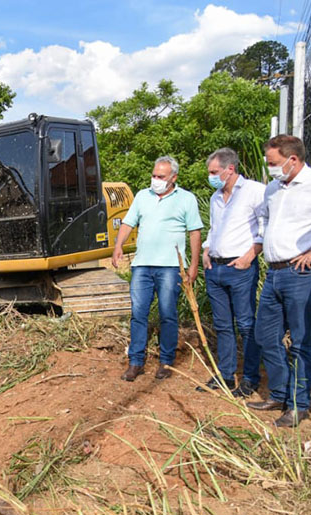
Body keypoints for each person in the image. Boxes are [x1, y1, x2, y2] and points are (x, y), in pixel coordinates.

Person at [247, 135, 311, 427]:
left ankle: (299, 404)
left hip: (302, 273)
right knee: (265, 335)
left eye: (274, 163)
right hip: (274, 272)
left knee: (301, 341)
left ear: (293, 159)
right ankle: (279, 393)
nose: (270, 169)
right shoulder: (273, 189)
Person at [112, 156, 202, 382]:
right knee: (138, 313)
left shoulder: (186, 199)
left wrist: (193, 264)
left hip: (171, 267)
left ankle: (166, 361)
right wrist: (118, 246)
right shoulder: (143, 196)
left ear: (174, 178)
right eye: (154, 175)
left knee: (167, 314)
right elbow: (128, 223)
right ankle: (135, 362)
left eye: (161, 177)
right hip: (142, 265)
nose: (156, 180)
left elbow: (194, 232)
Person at [200, 147, 265, 397]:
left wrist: (250, 256)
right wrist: (206, 250)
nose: (211, 177)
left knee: (246, 323)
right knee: (223, 325)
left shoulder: (254, 191)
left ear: (230, 169)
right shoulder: (217, 197)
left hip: (239, 269)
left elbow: (264, 225)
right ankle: (226, 375)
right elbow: (214, 228)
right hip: (215, 268)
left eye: (214, 172)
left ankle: (249, 378)